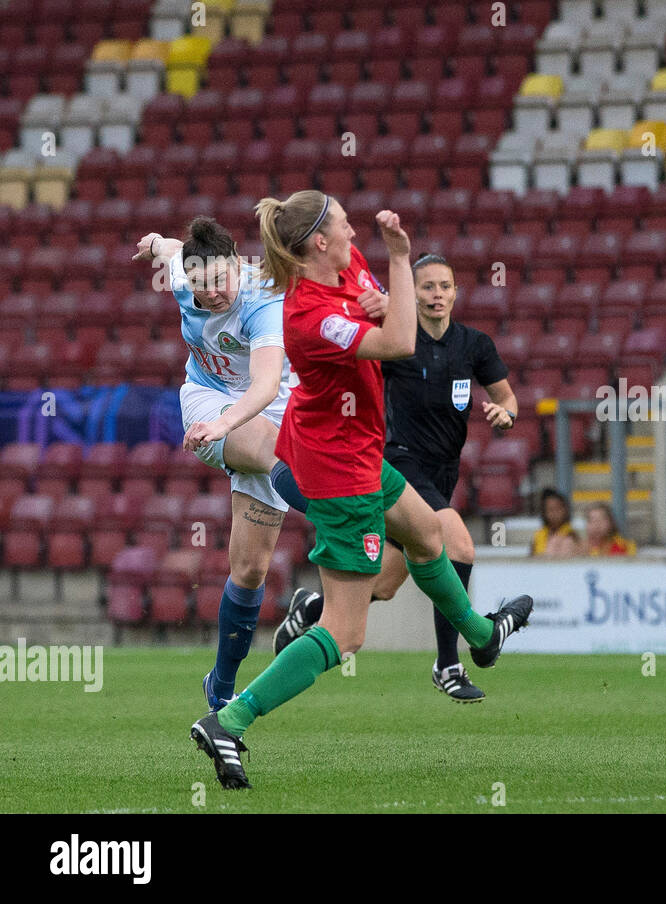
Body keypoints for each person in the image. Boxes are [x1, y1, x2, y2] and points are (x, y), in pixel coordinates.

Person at [190, 191, 531, 789]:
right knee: (346, 633)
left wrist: (385, 299)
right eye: (345, 225)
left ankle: (482, 637)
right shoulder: (308, 315)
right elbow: (399, 342)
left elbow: (387, 313)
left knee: (426, 534)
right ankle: (230, 720)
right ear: (319, 241)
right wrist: (400, 259)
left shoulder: (346, 268)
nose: (355, 232)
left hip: (358, 450)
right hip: (338, 470)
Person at [275, 253, 520, 703]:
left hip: (443, 474)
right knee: (458, 546)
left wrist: (506, 414)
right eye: (427, 286)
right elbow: (350, 365)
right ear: (412, 293)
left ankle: (310, 609)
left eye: (445, 286)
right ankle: (449, 664)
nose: (437, 295)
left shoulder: (474, 345)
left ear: (456, 292)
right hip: (397, 465)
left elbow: (507, 398)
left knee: (384, 585)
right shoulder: (398, 342)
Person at [132, 218, 320, 713]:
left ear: (238, 263)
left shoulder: (262, 300)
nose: (211, 293)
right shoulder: (185, 273)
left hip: (267, 408)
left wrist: (227, 424)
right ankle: (342, 517)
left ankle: (219, 686)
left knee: (251, 569)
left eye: (220, 280)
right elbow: (172, 249)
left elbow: (265, 386)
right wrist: (155, 243)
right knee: (278, 455)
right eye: (201, 284)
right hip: (207, 401)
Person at [531, 488, 578, 557]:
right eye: (550, 509)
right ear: (544, 512)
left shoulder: (571, 534)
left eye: (557, 509)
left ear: (565, 510)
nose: (554, 513)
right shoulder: (538, 535)